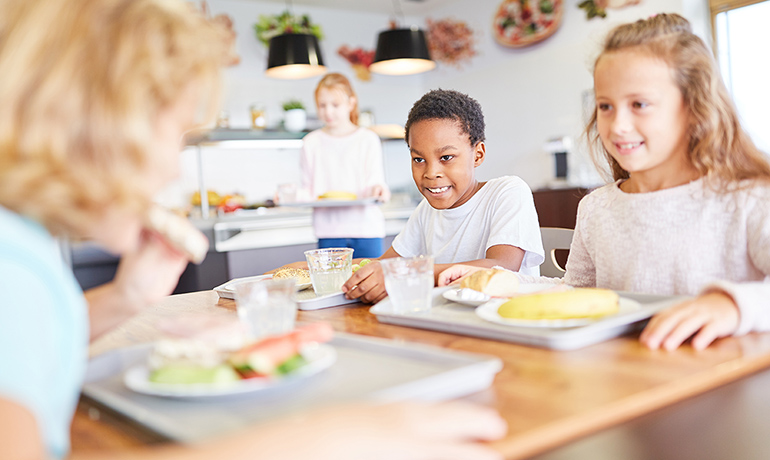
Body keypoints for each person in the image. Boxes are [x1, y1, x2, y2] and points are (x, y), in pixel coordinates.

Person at [0, 1, 507, 459]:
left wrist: (125, 296)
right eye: (167, 133)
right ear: (85, 120)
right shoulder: (11, 261)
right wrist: (328, 438)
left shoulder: (21, 248)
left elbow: (28, 342)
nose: (172, 170)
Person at [440, 13, 770, 352]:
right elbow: (575, 292)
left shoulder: (748, 197)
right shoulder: (597, 208)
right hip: (631, 380)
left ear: (693, 108)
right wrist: (512, 282)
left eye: (639, 104)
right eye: (606, 106)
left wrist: (731, 306)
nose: (617, 125)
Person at [343, 89, 545, 304]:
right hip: (449, 321)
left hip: (507, 322)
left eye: (446, 157)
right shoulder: (426, 210)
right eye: (419, 159)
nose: (431, 173)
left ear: (478, 154)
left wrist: (403, 273)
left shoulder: (508, 192)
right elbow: (384, 264)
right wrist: (313, 268)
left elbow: (501, 266)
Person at [295, 72, 390, 258]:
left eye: (335, 105)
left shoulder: (367, 139)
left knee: (369, 284)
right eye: (322, 105)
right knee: (331, 287)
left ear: (351, 103)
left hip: (366, 230)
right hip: (329, 232)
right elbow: (308, 190)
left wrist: (379, 191)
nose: (328, 112)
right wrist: (288, 195)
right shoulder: (310, 142)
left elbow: (375, 182)